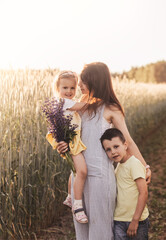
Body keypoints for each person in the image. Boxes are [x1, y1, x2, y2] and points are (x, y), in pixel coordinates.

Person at [57, 62, 151, 240]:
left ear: (94, 81)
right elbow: (69, 138)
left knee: (100, 231)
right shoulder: (78, 106)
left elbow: (128, 142)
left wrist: (145, 166)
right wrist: (61, 146)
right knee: (82, 231)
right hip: (79, 177)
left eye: (83, 80)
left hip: (100, 178)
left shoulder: (110, 108)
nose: (79, 84)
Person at [46, 70, 89, 223]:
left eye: (72, 88)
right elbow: (84, 107)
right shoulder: (64, 102)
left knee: (74, 171)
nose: (69, 91)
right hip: (71, 142)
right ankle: (77, 207)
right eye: (65, 88)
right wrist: (98, 98)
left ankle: (70, 197)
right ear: (58, 88)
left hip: (70, 140)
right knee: (82, 171)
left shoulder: (60, 103)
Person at [100, 128, 149, 240]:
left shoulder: (134, 164)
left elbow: (144, 193)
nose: (113, 152)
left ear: (125, 145)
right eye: (108, 149)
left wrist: (135, 220)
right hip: (119, 220)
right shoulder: (118, 167)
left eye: (116, 146)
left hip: (137, 221)